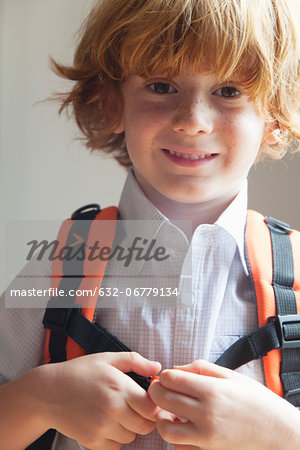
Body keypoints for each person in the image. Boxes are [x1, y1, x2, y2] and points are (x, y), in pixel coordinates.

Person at [0, 0, 300, 449]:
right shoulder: (58, 267)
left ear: (275, 114)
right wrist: (41, 397)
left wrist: (283, 434)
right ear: (112, 102)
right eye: (161, 86)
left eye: (229, 91)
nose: (193, 121)